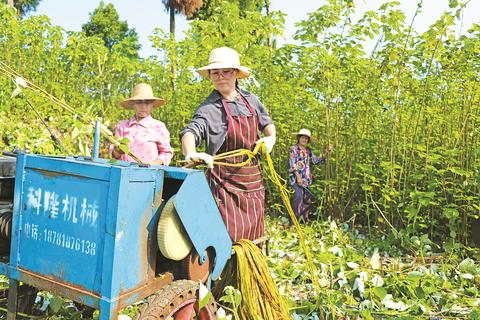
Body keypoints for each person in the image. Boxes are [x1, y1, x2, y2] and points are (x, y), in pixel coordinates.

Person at [180, 47, 276, 242]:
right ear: (209, 76)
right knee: (227, 239)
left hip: (252, 182)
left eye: (226, 71)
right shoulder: (208, 108)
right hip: (224, 186)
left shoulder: (251, 100)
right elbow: (190, 132)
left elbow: (267, 123)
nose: (220, 76)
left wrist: (271, 138)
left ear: (236, 73)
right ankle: (224, 272)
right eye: (215, 72)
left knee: (254, 240)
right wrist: (191, 152)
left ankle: (250, 272)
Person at [111, 83, 173, 165]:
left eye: (147, 103)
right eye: (139, 102)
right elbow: (114, 155)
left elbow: (166, 152)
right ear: (133, 104)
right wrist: (117, 151)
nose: (143, 106)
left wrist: (153, 164)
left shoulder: (158, 126)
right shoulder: (122, 126)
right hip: (123, 172)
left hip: (149, 174)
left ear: (152, 104)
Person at [289, 128, 332, 222]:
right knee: (298, 197)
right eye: (302, 138)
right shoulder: (294, 149)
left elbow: (315, 161)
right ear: (299, 138)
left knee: (307, 199)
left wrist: (326, 152)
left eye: (306, 138)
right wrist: (298, 177)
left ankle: (304, 219)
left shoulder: (308, 151)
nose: (304, 140)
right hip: (297, 179)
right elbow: (292, 164)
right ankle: (294, 220)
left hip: (307, 179)